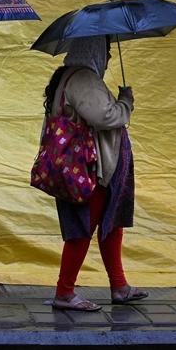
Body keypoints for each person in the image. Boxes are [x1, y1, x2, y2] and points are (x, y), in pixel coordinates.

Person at [42, 35, 148, 312]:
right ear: (93, 50)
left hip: (91, 167)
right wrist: (125, 102)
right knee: (83, 228)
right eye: (106, 49)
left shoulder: (69, 76)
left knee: (111, 224)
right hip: (91, 168)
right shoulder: (83, 79)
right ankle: (64, 293)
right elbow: (105, 117)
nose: (110, 56)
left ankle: (119, 286)